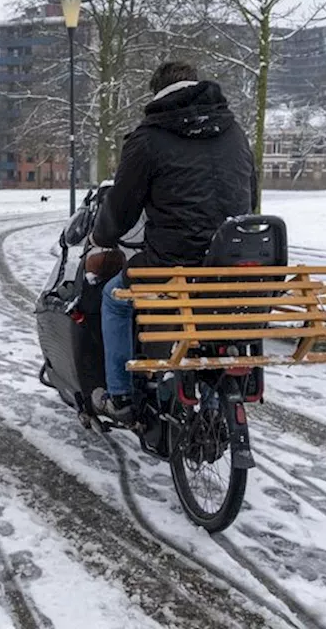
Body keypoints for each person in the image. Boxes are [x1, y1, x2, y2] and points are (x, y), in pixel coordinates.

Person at [88, 61, 257, 422]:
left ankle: (119, 397)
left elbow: (122, 208)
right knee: (211, 314)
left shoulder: (148, 138)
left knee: (114, 299)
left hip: (172, 264)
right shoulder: (235, 132)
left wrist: (101, 236)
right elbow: (250, 196)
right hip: (228, 265)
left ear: (158, 93)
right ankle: (212, 404)